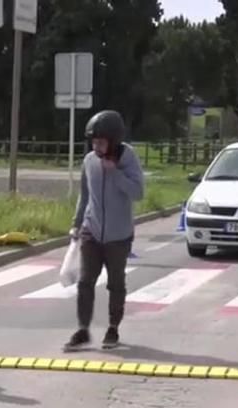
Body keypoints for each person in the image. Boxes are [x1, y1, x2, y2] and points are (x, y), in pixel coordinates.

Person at [64, 110, 145, 352]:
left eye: (101, 142)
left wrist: (115, 173)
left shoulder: (128, 159)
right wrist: (77, 224)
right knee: (85, 281)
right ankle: (82, 329)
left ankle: (113, 327)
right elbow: (85, 195)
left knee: (115, 283)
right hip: (92, 230)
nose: (96, 146)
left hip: (119, 236)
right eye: (93, 142)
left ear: (114, 141)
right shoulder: (89, 161)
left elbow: (138, 193)